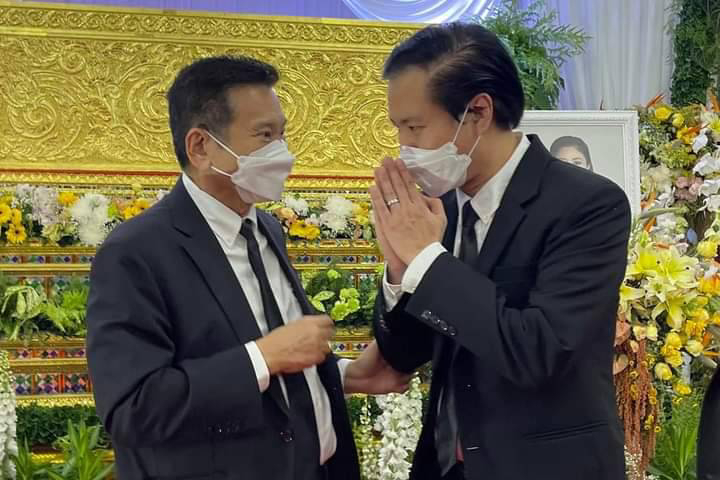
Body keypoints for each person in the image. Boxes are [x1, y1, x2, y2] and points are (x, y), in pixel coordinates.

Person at [86, 55, 408, 480]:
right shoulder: (136, 252)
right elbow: (134, 409)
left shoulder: (265, 228)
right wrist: (264, 356)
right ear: (201, 147)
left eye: (282, 135)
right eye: (264, 136)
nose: (283, 154)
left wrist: (347, 374)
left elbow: (277, 353)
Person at [369, 23, 631, 480]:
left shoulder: (586, 204)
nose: (404, 148)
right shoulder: (442, 208)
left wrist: (426, 261)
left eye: (415, 127)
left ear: (478, 112)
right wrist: (399, 269)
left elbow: (540, 351)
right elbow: (406, 355)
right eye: (398, 128)